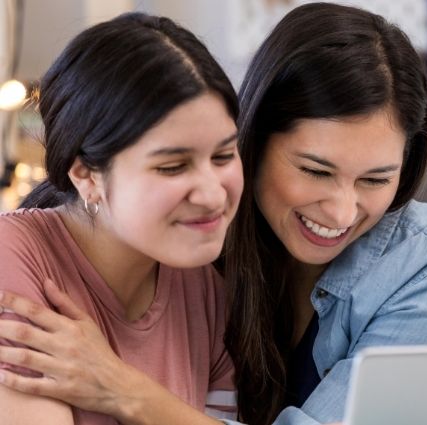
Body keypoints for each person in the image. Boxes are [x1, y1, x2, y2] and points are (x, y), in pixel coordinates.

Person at [0, 3, 427, 425]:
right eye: (315, 170)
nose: (344, 210)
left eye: (376, 179)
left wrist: (120, 388)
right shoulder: (196, 252)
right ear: (255, 141)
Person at [0, 12, 244, 425]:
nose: (213, 193)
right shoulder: (13, 263)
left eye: (223, 156)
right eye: (172, 166)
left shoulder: (205, 290)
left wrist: (123, 389)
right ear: (85, 175)